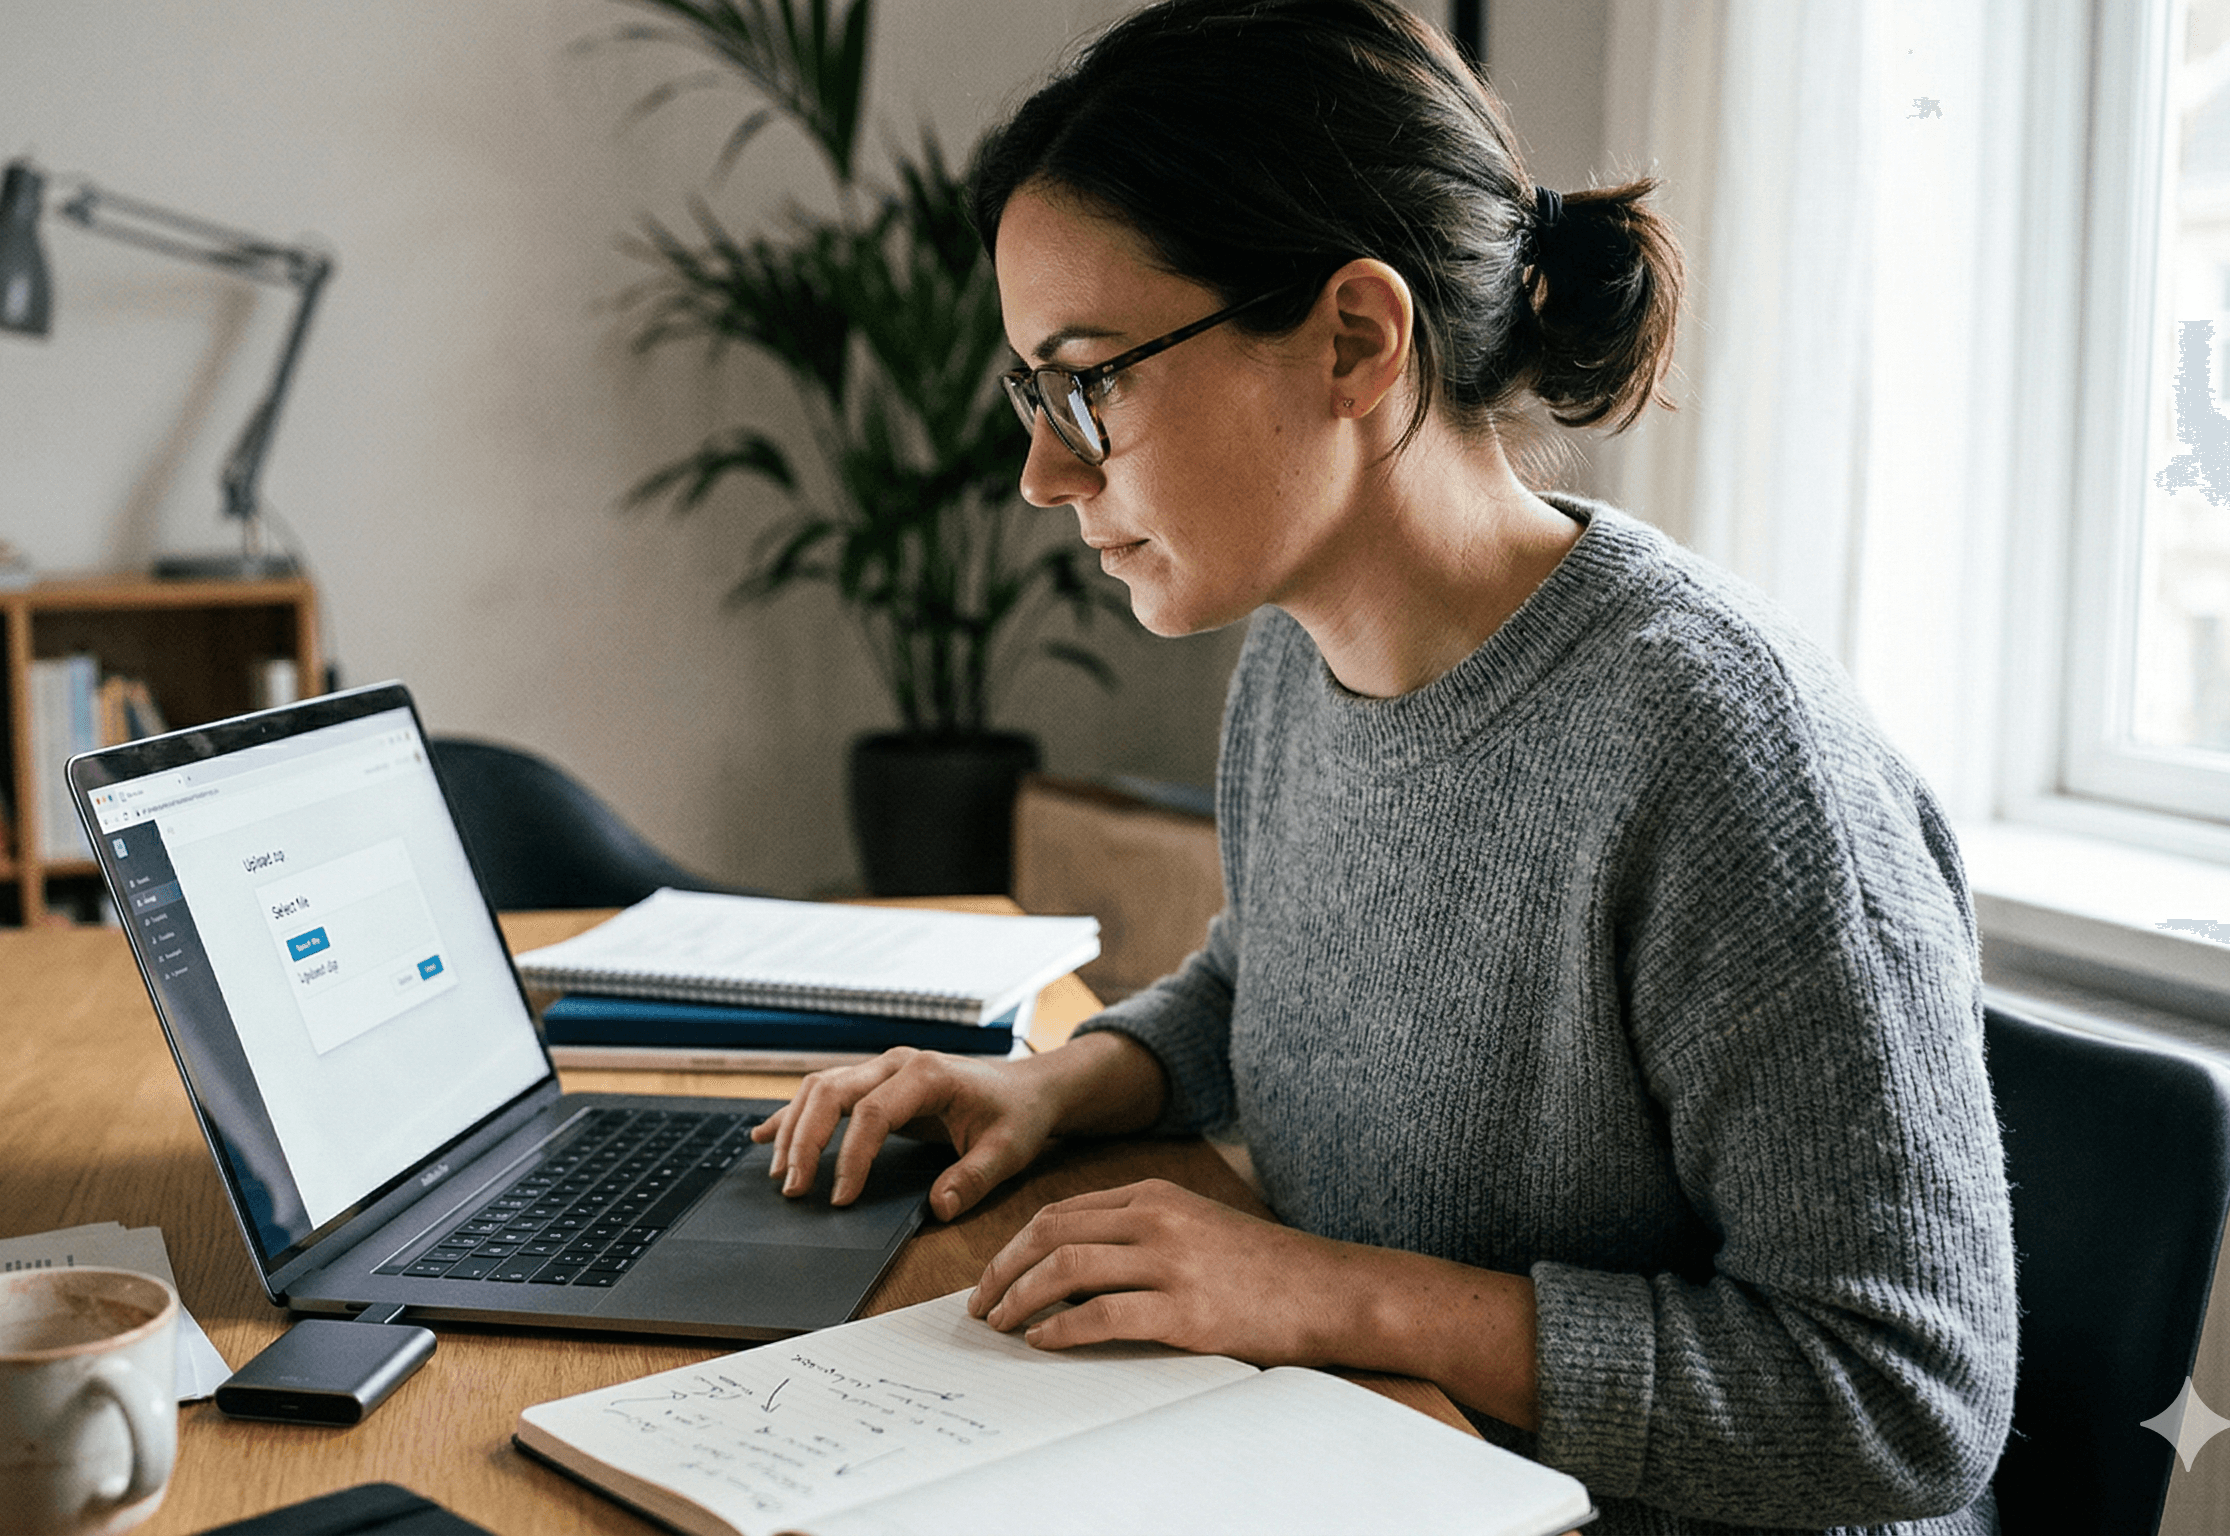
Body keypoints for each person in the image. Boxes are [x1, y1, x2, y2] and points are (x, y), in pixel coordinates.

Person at [748, 1, 2019, 1532]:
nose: (1045, 470)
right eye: (1036, 390)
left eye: (1090, 378)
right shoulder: (1299, 653)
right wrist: (1060, 1085)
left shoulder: (1729, 762)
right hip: (1367, 1469)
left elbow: (1901, 1408)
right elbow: (1272, 970)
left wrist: (1336, 1298)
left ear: (1356, 337)